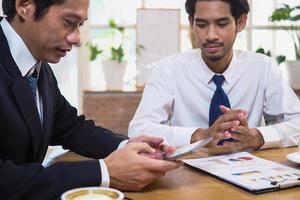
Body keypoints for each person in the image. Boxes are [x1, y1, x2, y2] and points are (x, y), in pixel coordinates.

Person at [0, 0, 181, 199]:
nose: (77, 38)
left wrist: (129, 147)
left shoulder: (38, 69)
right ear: (24, 5)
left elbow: (70, 128)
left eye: (81, 25)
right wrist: (104, 172)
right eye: (68, 22)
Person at [129, 0, 300, 152]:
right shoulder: (169, 69)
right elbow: (138, 129)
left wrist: (258, 136)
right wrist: (200, 135)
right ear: (191, 23)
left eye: (222, 24)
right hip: (188, 176)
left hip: (250, 172)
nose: (211, 35)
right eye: (202, 24)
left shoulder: (263, 68)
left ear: (240, 22)